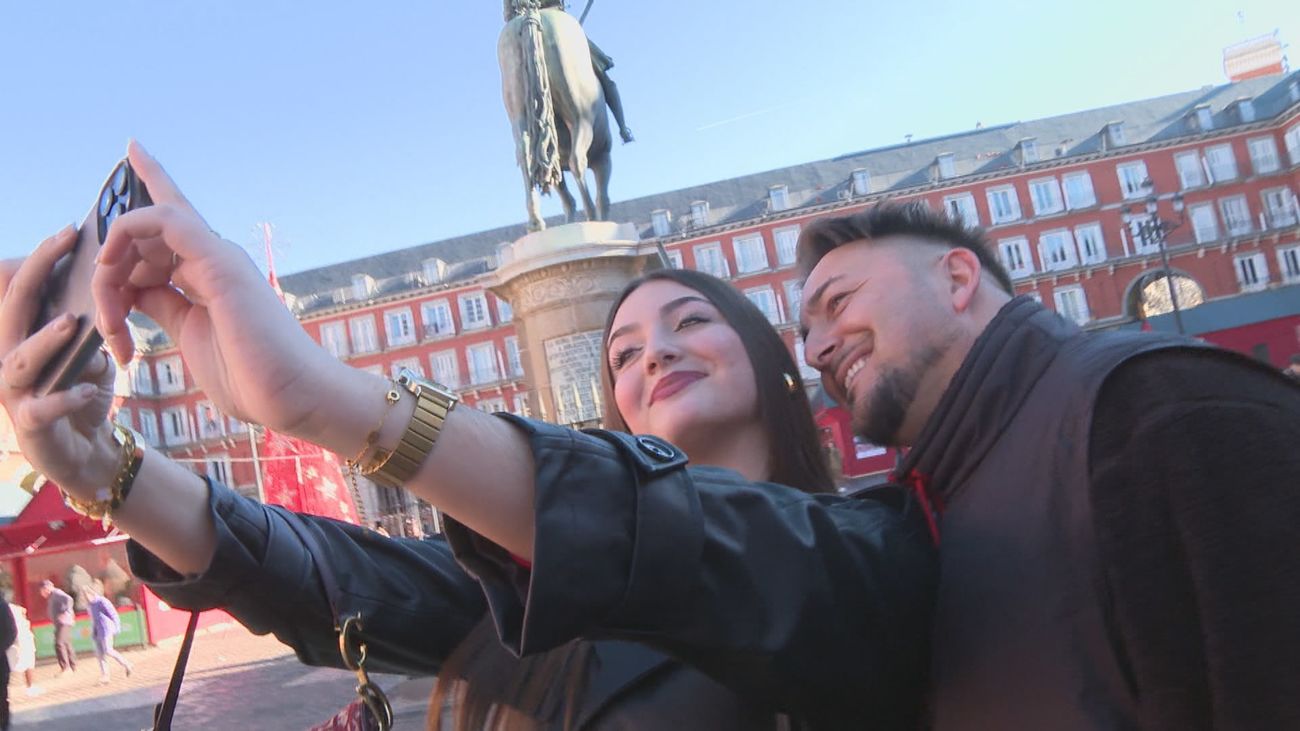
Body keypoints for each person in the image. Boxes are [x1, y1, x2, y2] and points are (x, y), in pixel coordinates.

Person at [0, 144, 933, 728]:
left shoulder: (876, 544)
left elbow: (718, 551)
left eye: (691, 321)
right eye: (623, 351)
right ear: (618, 415)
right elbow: (321, 571)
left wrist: (328, 396)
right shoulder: (537, 603)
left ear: (778, 360)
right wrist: (103, 466)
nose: (653, 352)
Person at [504, 0, 634, 143]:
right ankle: (623, 128)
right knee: (605, 78)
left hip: (520, 27)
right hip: (557, 19)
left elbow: (509, 16)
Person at [82, 583, 132, 683]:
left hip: (106, 629)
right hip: (97, 631)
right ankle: (105, 675)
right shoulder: (90, 605)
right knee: (100, 654)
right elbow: (92, 619)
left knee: (108, 650)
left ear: (92, 593)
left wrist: (117, 627)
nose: (87, 597)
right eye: (85, 596)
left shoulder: (102, 601)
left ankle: (126, 664)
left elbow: (113, 614)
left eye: (88, 594)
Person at [39, 580, 76, 674]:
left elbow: (69, 599)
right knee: (66, 644)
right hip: (62, 622)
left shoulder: (56, 593)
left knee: (59, 643)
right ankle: (72, 666)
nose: (42, 593)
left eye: (42, 590)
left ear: (47, 588)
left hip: (63, 621)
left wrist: (66, 612)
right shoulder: (52, 596)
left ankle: (65, 668)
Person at [5, 601, 39, 697]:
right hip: (20, 641)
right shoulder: (14, 613)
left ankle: (30, 686)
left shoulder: (12, 611)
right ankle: (30, 687)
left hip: (19, 641)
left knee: (24, 664)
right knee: (25, 664)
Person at [0, 594, 13, 731]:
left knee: (1, 697)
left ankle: (4, 724)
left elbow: (11, 631)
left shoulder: (2, 606)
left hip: (0, 663)